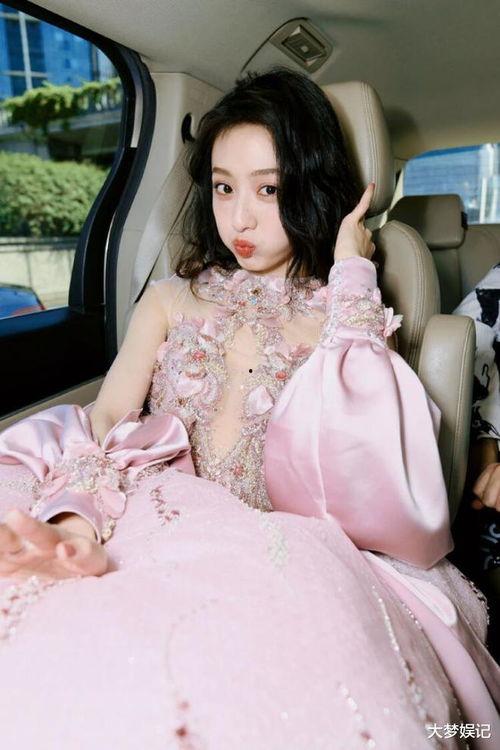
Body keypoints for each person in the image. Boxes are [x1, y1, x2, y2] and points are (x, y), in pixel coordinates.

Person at [0, 67, 498, 749]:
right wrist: (75, 517)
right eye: (223, 187)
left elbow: (371, 457)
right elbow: (108, 416)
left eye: (269, 189)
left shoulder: (345, 320)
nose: (238, 218)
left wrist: (352, 272)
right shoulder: (169, 300)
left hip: (292, 553)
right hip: (155, 522)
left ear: (312, 188)